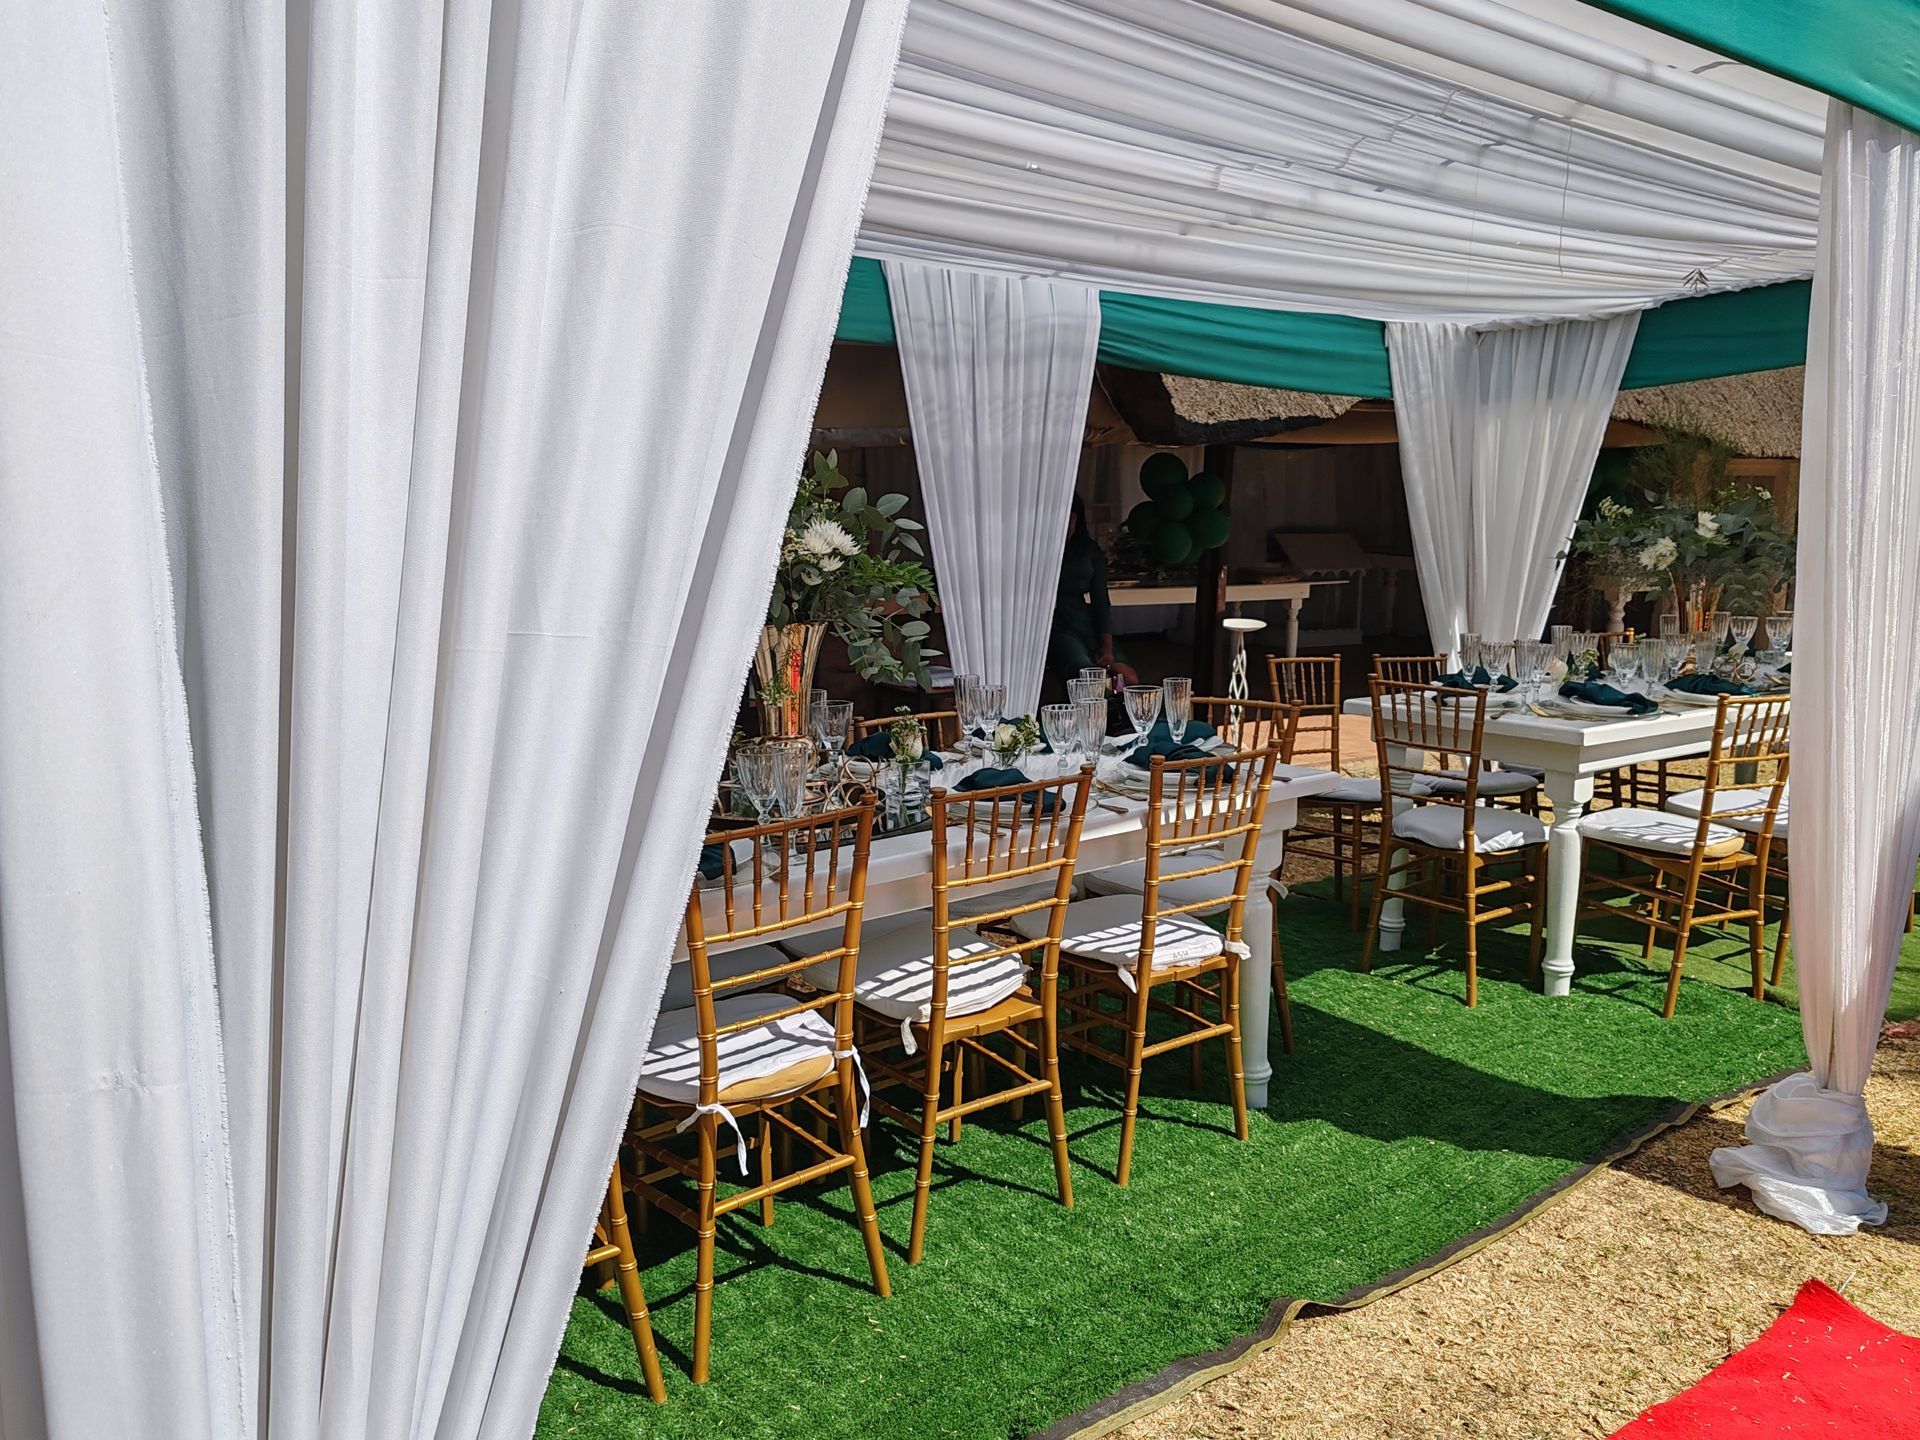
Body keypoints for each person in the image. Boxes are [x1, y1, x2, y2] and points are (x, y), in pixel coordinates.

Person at [1048, 493, 1139, 690]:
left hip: (1082, 619)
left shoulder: (1088, 549)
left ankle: (1114, 706)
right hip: (1052, 622)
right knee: (1085, 672)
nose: (1066, 522)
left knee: (1128, 678)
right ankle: (1087, 705)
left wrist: (1107, 647)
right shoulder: (1039, 549)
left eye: (1071, 516)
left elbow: (1101, 601)